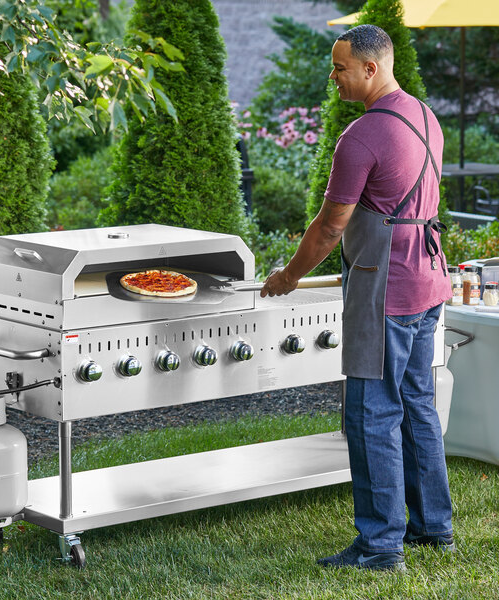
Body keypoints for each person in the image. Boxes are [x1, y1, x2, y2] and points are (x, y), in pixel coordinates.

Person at [260, 24, 454, 572]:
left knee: (370, 415)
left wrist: (289, 277)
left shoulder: (361, 136)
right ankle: (433, 529)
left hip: (385, 289)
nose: (333, 77)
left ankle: (380, 545)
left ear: (371, 68)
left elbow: (329, 227)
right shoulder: (424, 113)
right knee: (417, 406)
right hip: (428, 280)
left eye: (340, 67)